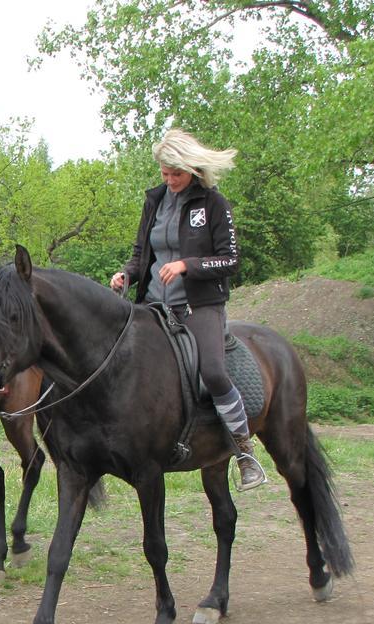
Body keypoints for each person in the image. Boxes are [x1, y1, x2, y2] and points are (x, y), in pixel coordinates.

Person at [110, 128, 266, 490]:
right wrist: (126, 274)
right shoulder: (155, 201)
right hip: (153, 306)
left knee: (211, 370)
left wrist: (186, 266)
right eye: (164, 174)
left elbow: (230, 259)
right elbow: (141, 254)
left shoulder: (213, 204)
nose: (170, 180)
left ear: (192, 169)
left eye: (175, 174)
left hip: (200, 305)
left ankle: (244, 451)